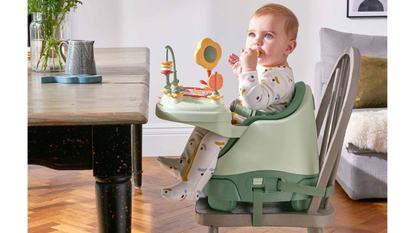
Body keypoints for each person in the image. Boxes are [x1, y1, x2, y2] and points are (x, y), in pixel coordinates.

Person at [157, 3, 298, 201]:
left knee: (212, 138)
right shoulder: (268, 69)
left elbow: (253, 101)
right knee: (202, 127)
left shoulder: (281, 78)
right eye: (251, 34)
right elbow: (254, 94)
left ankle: (192, 187)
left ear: (289, 47)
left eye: (268, 36)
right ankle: (185, 165)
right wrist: (242, 73)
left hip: (260, 133)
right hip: (248, 123)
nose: (256, 42)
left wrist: (248, 71)